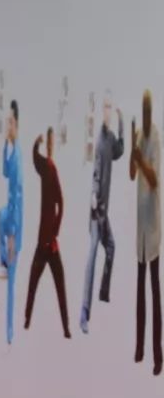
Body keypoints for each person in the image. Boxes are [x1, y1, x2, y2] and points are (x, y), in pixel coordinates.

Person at [81, 95, 123, 334]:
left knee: (111, 247)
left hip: (104, 214)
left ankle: (103, 293)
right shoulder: (99, 141)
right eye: (105, 108)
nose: (107, 112)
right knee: (92, 255)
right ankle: (84, 313)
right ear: (101, 112)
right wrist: (94, 195)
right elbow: (96, 172)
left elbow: (119, 151)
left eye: (110, 108)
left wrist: (123, 123)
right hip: (96, 211)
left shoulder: (110, 139)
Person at [24, 128, 71, 338]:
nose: (50, 145)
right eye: (48, 143)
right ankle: (27, 319)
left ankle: (66, 328)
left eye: (52, 142)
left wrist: (55, 231)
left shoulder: (52, 168)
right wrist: (35, 143)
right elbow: (35, 158)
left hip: (50, 242)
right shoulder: (46, 167)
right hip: (44, 241)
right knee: (33, 282)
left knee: (59, 286)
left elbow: (61, 203)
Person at [130, 90, 161, 376]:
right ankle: (139, 349)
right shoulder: (139, 135)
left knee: (154, 292)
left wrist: (140, 159)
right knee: (140, 293)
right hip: (140, 227)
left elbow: (153, 180)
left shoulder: (156, 138)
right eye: (144, 109)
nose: (146, 114)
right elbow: (131, 173)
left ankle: (157, 354)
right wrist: (132, 151)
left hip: (152, 230)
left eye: (149, 109)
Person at [0, 100, 24, 345]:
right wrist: (5, 144)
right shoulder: (13, 154)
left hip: (15, 226)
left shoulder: (19, 160)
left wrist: (13, 237)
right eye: (7, 123)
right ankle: (3, 261)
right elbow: (3, 172)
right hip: (9, 219)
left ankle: (9, 331)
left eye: (11, 123)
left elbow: (16, 195)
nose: (8, 127)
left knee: (12, 284)